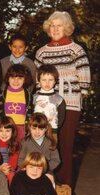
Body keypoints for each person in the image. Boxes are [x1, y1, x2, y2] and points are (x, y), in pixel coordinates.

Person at [34, 11, 90, 186]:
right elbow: (38, 80)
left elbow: (85, 77)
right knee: (48, 145)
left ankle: (64, 186)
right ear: (48, 29)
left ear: (67, 28)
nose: (56, 29)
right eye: (52, 25)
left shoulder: (76, 49)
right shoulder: (42, 52)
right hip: (47, 105)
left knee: (66, 146)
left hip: (70, 103)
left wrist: (78, 93)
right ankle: (46, 183)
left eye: (59, 25)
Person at [18, 113, 60, 186]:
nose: (37, 132)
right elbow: (20, 159)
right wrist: (26, 168)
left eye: (41, 129)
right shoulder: (24, 142)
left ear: (46, 128)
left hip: (45, 170)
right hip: (29, 171)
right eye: (34, 128)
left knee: (50, 178)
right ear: (29, 127)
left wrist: (44, 168)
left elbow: (56, 160)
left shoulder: (50, 143)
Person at [0, 64, 33, 141]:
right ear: (8, 78)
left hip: (22, 129)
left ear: (25, 79)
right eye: (12, 77)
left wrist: (27, 130)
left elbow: (30, 115)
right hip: (6, 129)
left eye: (20, 78)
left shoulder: (28, 95)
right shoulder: (1, 95)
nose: (16, 81)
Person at [33, 65, 66, 140]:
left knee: (51, 150)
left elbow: (61, 118)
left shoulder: (59, 99)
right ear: (39, 80)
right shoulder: (34, 98)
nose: (47, 83)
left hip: (52, 132)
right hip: (35, 131)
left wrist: (55, 129)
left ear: (55, 81)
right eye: (44, 80)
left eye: (50, 80)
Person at [0, 116, 20, 184]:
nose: (4, 134)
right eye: (0, 130)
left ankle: (9, 194)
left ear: (12, 132)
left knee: (11, 175)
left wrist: (6, 169)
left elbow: (13, 164)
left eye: (7, 131)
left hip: (9, 169)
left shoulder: (15, 145)